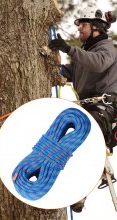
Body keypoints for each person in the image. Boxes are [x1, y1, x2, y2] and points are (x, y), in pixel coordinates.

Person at [49, 6, 117, 212]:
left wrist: (68, 49)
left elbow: (98, 64)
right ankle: (78, 186)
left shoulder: (107, 48)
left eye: (83, 25)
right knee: (66, 137)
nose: (79, 29)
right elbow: (69, 72)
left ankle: (83, 189)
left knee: (86, 137)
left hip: (107, 107)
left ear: (96, 28)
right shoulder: (85, 54)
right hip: (89, 107)